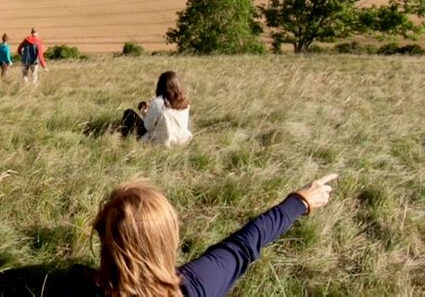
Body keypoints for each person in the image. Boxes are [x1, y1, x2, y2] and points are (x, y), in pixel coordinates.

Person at [92, 175, 338, 297]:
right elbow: (244, 244)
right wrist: (301, 201)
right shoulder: (197, 286)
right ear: (167, 242)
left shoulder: (69, 286)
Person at [142, 71, 192, 146]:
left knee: (129, 114)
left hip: (162, 142)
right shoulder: (185, 102)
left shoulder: (158, 102)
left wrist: (145, 114)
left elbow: (148, 127)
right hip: (182, 140)